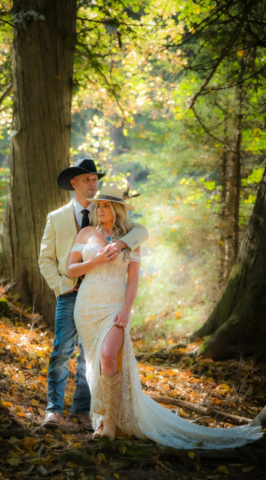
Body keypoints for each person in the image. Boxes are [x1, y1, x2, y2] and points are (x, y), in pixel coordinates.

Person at [66, 184, 263, 448]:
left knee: (108, 356)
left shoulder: (131, 237)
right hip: (87, 305)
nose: (100, 210)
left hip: (114, 306)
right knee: (96, 364)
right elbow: (70, 269)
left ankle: (110, 423)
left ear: (117, 209)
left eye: (106, 206)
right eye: (98, 205)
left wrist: (126, 310)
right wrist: (95, 262)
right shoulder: (87, 232)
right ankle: (100, 420)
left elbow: (133, 280)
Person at [38, 158, 149, 429]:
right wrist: (63, 286)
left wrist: (121, 242)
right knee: (62, 350)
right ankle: (53, 410)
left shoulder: (114, 217)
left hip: (106, 296)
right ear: (74, 183)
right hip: (71, 293)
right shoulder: (57, 218)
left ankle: (83, 410)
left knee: (92, 356)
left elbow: (142, 233)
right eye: (87, 179)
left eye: (95, 180)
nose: (92, 184)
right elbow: (45, 260)